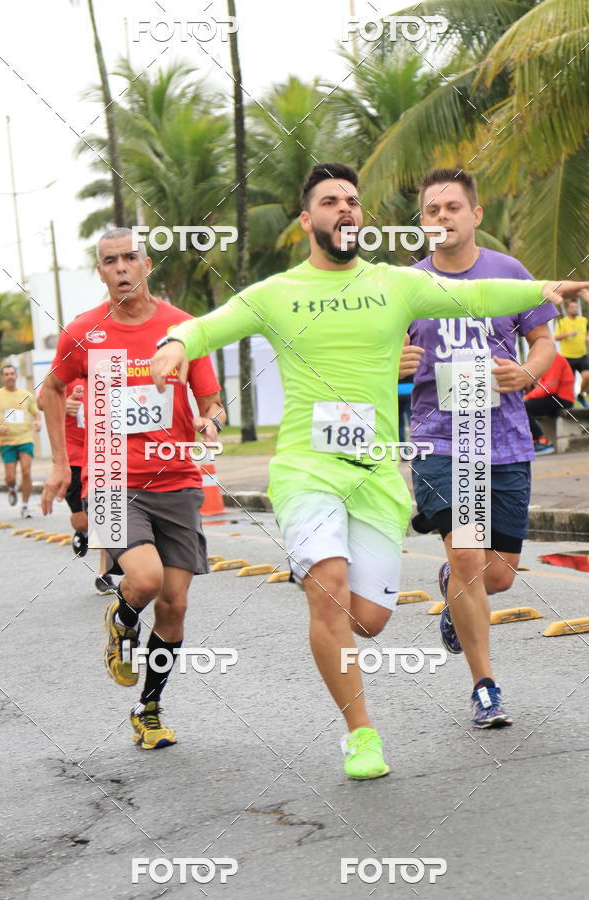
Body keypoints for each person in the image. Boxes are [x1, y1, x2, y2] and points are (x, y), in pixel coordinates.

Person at [151, 162, 587, 778]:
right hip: (307, 467)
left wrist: (545, 289)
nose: (345, 209)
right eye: (331, 201)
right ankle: (362, 735)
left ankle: (354, 609)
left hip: (377, 475)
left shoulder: (394, 285)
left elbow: (480, 295)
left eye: (352, 200)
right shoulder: (277, 292)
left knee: (371, 619)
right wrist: (174, 344)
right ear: (308, 220)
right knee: (327, 587)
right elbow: (206, 326)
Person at [41, 227, 225, 749]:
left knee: (174, 606)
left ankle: (149, 707)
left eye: (129, 258)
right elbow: (51, 391)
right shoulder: (83, 332)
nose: (120, 268)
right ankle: (122, 617)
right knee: (143, 580)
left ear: (146, 265)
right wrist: (60, 465)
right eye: (108, 261)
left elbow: (210, 400)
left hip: (179, 480)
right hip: (112, 479)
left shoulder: (182, 328)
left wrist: (212, 422)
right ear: (99, 272)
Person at [405, 167, 557, 728]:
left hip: (506, 438)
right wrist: (388, 363)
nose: (440, 217)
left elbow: (543, 340)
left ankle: (452, 590)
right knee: (466, 554)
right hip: (441, 439)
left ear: (475, 215)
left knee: (497, 577)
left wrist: (527, 371)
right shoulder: (406, 287)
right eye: (429, 211)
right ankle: (485, 687)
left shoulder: (509, 272)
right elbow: (375, 354)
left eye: (450, 207)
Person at [37, 378, 116, 593]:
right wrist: (62, 403)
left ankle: (104, 574)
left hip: (102, 453)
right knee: (83, 522)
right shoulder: (66, 371)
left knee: (105, 512)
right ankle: (83, 533)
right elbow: (41, 402)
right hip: (73, 458)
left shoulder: (108, 370)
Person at [0, 363, 41, 518]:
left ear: (16, 376)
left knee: (26, 471)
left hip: (25, 438)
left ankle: (25, 507)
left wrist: (37, 422)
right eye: (7, 374)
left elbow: (35, 412)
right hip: (6, 441)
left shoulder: (26, 395)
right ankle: (12, 488)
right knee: (10, 478)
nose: (10, 376)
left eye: (12, 373)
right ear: (2, 377)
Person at [524, 353, 575, 455]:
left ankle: (541, 441)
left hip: (562, 398)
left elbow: (549, 387)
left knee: (523, 407)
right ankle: (534, 441)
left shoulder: (554, 358)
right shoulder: (546, 359)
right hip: (555, 397)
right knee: (524, 407)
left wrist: (526, 397)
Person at [554, 299, 589, 407]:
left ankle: (581, 394)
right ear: (568, 309)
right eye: (572, 307)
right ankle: (569, 405)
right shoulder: (562, 322)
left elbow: (587, 333)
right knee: (569, 383)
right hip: (567, 357)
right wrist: (568, 334)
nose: (575, 309)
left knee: (587, 376)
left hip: (582, 355)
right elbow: (556, 337)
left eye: (576, 307)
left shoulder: (583, 320)